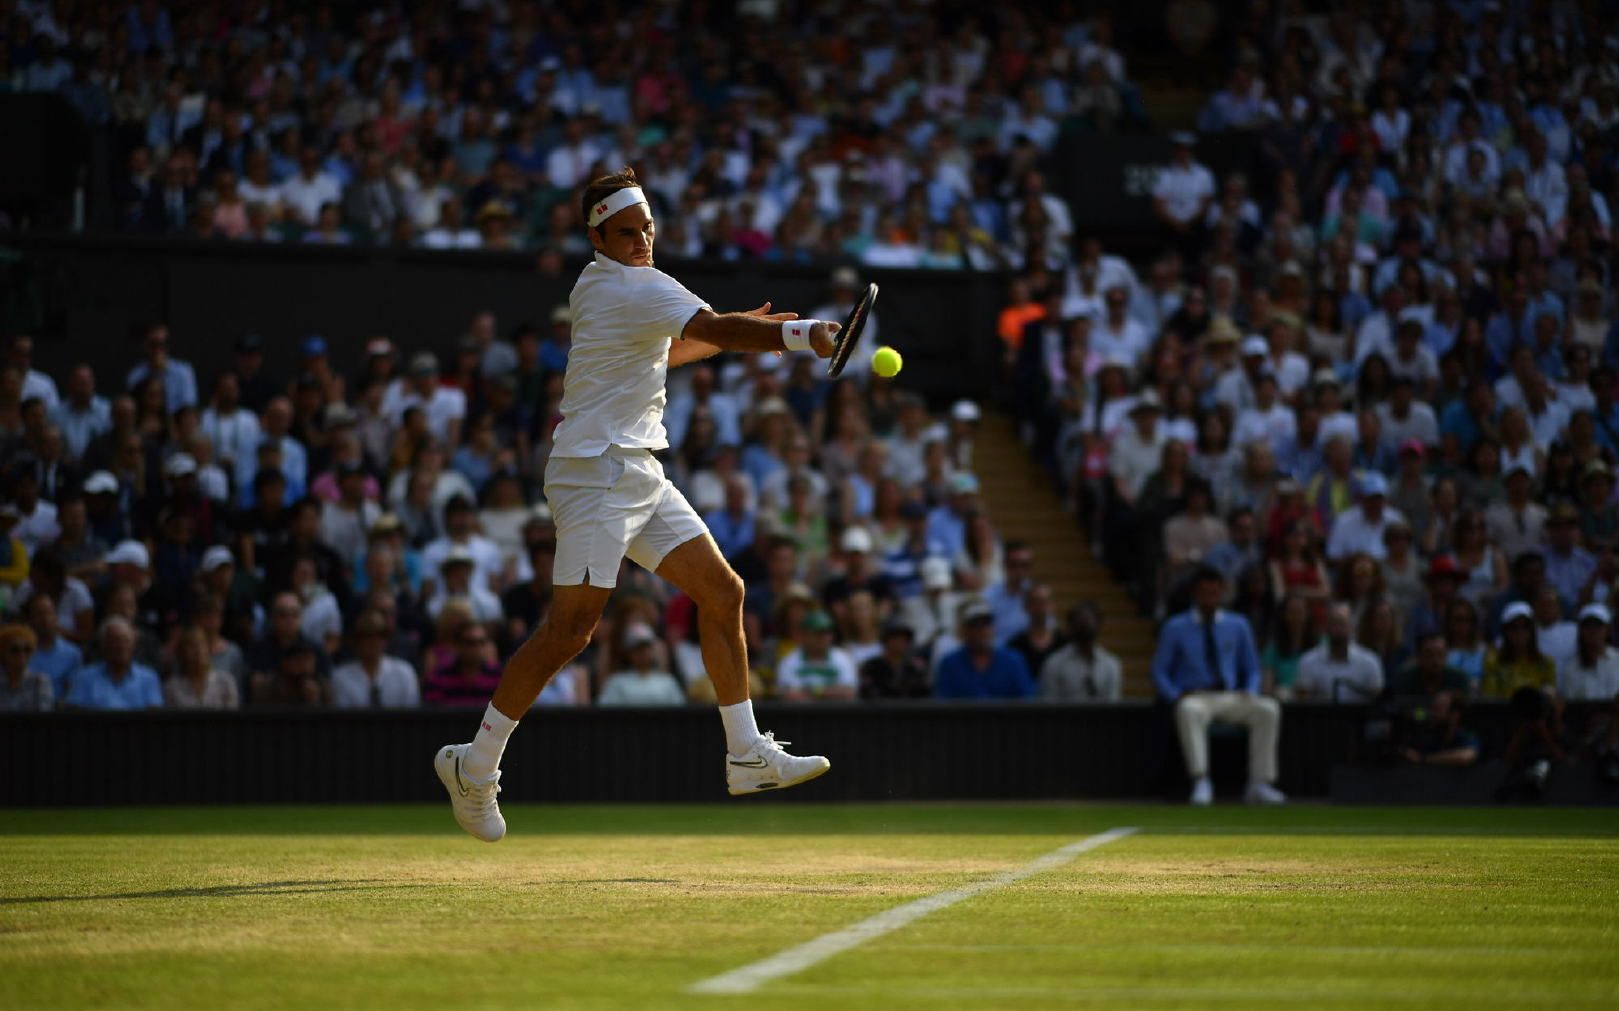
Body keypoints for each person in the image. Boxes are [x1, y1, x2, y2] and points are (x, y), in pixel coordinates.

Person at [436, 170, 837, 840]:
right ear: (597, 236)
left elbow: (675, 349)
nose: (641, 240)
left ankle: (745, 754)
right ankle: (473, 767)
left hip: (638, 470)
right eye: (626, 232)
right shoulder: (629, 283)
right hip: (596, 475)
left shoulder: (604, 286)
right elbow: (717, 329)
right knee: (569, 633)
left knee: (723, 591)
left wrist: (742, 333)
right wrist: (801, 337)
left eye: (646, 227)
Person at [1151, 566, 1286, 806]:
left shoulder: (1238, 625)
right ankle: (1201, 780)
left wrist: (1251, 690)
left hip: (1232, 696)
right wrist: (1174, 696)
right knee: (1188, 710)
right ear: (1195, 594)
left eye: (1215, 593)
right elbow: (1160, 671)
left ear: (1222, 593)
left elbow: (1252, 668)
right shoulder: (1175, 627)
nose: (1210, 598)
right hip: (1196, 697)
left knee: (1268, 709)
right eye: (1204, 592)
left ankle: (1260, 783)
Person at [934, 599, 1036, 700]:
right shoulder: (950, 664)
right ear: (964, 630)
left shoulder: (1014, 662)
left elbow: (1026, 702)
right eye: (975, 625)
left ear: (993, 627)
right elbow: (944, 706)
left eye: (986, 624)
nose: (982, 630)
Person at [64, 617, 162, 710]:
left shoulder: (149, 678)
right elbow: (74, 712)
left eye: (125, 641)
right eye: (114, 641)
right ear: (103, 645)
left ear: (133, 645)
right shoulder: (84, 678)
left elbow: (154, 715)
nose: (120, 646)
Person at [1293, 603, 1384, 702]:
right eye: (1333, 623)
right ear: (1325, 627)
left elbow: (1377, 700)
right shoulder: (1308, 661)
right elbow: (1303, 702)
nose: (1337, 629)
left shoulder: (1370, 662)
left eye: (1341, 623)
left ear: (1351, 626)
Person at [332, 611, 421, 708]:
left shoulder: (405, 672)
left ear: (386, 639)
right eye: (365, 635)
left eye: (379, 635)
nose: (372, 641)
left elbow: (412, 716)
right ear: (356, 640)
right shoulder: (341, 677)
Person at [1039, 603, 1122, 701]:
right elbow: (1049, 704)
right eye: (1080, 621)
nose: (1085, 625)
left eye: (1089, 621)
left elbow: (1113, 704)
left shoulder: (1110, 664)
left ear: (1099, 625)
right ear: (1070, 626)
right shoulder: (1054, 663)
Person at [774, 610, 858, 701]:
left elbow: (848, 693)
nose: (824, 638)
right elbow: (790, 697)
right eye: (818, 633)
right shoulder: (789, 661)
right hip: (801, 714)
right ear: (804, 635)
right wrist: (831, 693)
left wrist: (813, 691)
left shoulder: (843, 658)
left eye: (827, 633)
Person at [598, 623, 686, 705]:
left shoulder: (668, 682)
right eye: (637, 649)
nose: (642, 653)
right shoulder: (616, 682)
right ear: (629, 653)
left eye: (645, 647)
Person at [163, 625, 239, 709]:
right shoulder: (172, 687)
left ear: (208, 648)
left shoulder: (226, 682)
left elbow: (233, 719)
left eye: (201, 644)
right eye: (191, 646)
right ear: (182, 653)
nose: (198, 650)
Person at [858, 618, 930, 699]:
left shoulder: (917, 668)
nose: (900, 642)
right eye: (895, 637)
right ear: (885, 639)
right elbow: (869, 696)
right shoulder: (871, 667)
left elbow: (923, 697)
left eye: (904, 638)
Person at [0, 623, 52, 711]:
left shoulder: (40, 682)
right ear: (3, 653)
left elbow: (44, 717)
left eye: (27, 649)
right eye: (15, 650)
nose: (22, 654)